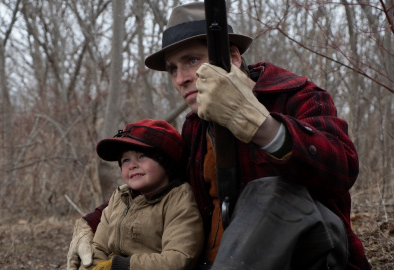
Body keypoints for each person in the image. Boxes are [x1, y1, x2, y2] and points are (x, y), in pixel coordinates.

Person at [68, 2, 370, 270]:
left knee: (269, 194)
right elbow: (157, 180)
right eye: (173, 69)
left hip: (308, 258)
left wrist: (263, 127)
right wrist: (88, 224)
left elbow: (342, 169)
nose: (180, 78)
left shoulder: (297, 96)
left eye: (191, 61)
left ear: (233, 57)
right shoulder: (194, 126)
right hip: (215, 261)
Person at [73, 119, 204, 270]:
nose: (132, 165)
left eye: (142, 156)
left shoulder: (179, 199)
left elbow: (179, 258)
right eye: (125, 160)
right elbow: (98, 248)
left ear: (166, 161)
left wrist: (121, 266)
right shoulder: (119, 197)